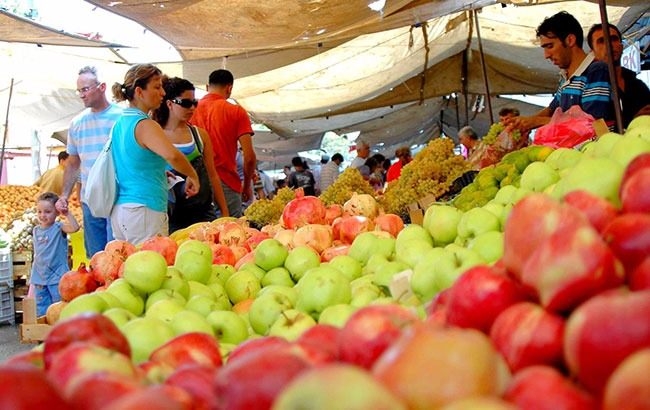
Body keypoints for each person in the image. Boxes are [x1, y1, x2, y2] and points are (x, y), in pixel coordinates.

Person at [110, 64, 200, 245]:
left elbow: (133, 162)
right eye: (157, 87)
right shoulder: (145, 124)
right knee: (150, 267)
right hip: (144, 210)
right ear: (139, 91)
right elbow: (173, 156)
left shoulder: (120, 122)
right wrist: (193, 174)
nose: (163, 93)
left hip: (122, 209)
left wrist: (158, 172)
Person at [507, 11, 615, 132]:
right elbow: (551, 110)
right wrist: (522, 122)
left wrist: (536, 121)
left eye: (550, 46)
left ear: (570, 40)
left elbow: (591, 123)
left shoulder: (596, 71)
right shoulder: (566, 76)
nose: (546, 55)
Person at [56, 66, 123, 259]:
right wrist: (64, 195)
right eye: (79, 91)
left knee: (114, 254)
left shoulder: (121, 117)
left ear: (102, 87)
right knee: (95, 256)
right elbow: (72, 163)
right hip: (89, 199)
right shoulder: (77, 123)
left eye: (85, 89)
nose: (81, 95)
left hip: (117, 196)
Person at [152, 76, 229, 233]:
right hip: (170, 214)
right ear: (169, 104)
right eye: (186, 103)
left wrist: (224, 212)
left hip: (203, 212)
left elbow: (212, 175)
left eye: (194, 102)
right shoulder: (154, 135)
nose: (192, 108)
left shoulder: (200, 135)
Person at [190, 69, 256, 218]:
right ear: (229, 88)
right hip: (227, 182)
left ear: (207, 87)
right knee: (231, 233)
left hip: (197, 181)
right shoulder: (236, 112)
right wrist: (246, 186)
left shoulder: (190, 110)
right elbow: (250, 157)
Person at [587, 23, 650, 128]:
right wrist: (633, 122)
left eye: (613, 39)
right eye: (601, 41)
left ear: (621, 46)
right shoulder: (589, 88)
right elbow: (592, 128)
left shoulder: (638, 86)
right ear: (592, 52)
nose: (609, 44)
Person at [31, 192, 80, 316]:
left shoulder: (59, 228)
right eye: (39, 211)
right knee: (42, 309)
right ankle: (44, 331)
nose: (43, 215)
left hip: (57, 277)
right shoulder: (36, 230)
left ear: (57, 213)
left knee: (59, 307)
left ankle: (59, 329)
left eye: (47, 212)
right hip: (39, 277)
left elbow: (75, 228)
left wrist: (67, 213)